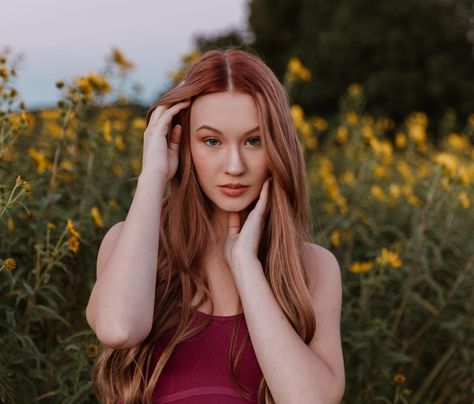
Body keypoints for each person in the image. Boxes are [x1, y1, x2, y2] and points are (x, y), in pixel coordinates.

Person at [86, 48, 345, 404]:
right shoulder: (127, 244)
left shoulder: (313, 268)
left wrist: (245, 266)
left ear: (278, 148)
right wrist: (153, 176)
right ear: (182, 144)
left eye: (254, 141)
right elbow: (118, 329)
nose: (234, 166)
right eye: (211, 141)